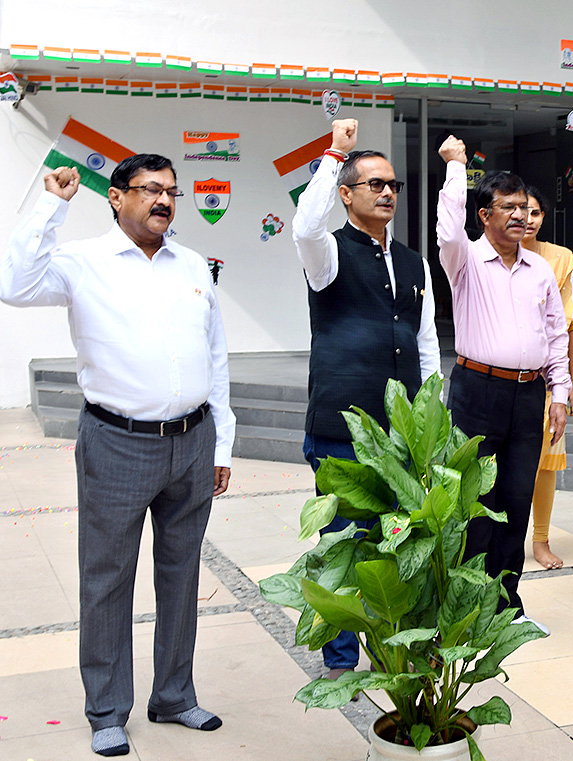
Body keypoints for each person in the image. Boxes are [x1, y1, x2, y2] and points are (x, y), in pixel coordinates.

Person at [2, 159, 235, 756]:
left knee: (181, 576)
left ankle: (174, 695)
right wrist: (50, 205)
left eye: (170, 192)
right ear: (116, 197)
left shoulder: (191, 266)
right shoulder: (82, 262)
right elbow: (14, 284)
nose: (164, 201)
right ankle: (107, 709)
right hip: (116, 442)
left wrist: (222, 441)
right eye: (150, 190)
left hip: (193, 441)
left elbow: (216, 356)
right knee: (107, 579)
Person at [292, 118, 440, 680]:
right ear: (347, 194)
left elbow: (425, 342)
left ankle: (390, 649)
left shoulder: (412, 260)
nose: (387, 193)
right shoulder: (327, 252)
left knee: (396, 543)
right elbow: (304, 226)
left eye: (393, 185)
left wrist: (432, 412)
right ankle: (340, 660)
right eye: (374, 184)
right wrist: (334, 154)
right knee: (344, 545)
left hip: (400, 431)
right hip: (341, 427)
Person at [436, 135, 570, 633]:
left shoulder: (540, 269)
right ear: (484, 216)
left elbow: (556, 332)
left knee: (515, 500)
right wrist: (457, 166)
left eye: (525, 208)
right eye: (507, 208)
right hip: (477, 392)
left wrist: (559, 392)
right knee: (475, 504)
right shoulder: (464, 259)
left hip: (528, 394)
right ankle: (466, 606)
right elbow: (447, 229)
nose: (519, 216)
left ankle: (505, 607)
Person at [520, 185, 573, 570]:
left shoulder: (560, 259)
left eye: (535, 212)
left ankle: (540, 540)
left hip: (549, 379)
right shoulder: (487, 254)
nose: (527, 219)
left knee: (545, 464)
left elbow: (570, 326)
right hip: (504, 376)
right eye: (520, 210)